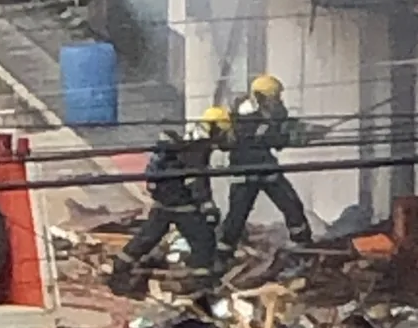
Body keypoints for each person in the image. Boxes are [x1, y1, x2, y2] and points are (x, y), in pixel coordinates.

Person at [110, 108, 230, 293]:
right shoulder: (198, 148)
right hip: (183, 205)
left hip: (163, 203)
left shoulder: (189, 141)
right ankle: (202, 280)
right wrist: (208, 207)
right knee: (203, 240)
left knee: (147, 237)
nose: (224, 136)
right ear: (214, 128)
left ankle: (120, 267)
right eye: (222, 130)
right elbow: (196, 180)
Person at [219, 74, 313, 255]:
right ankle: (222, 254)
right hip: (246, 171)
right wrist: (285, 136)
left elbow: (277, 136)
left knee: (291, 205)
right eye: (274, 97)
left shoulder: (270, 115)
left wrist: (299, 133)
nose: (278, 101)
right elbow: (266, 136)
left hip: (264, 168)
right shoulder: (246, 114)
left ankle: (303, 244)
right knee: (236, 218)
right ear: (261, 97)